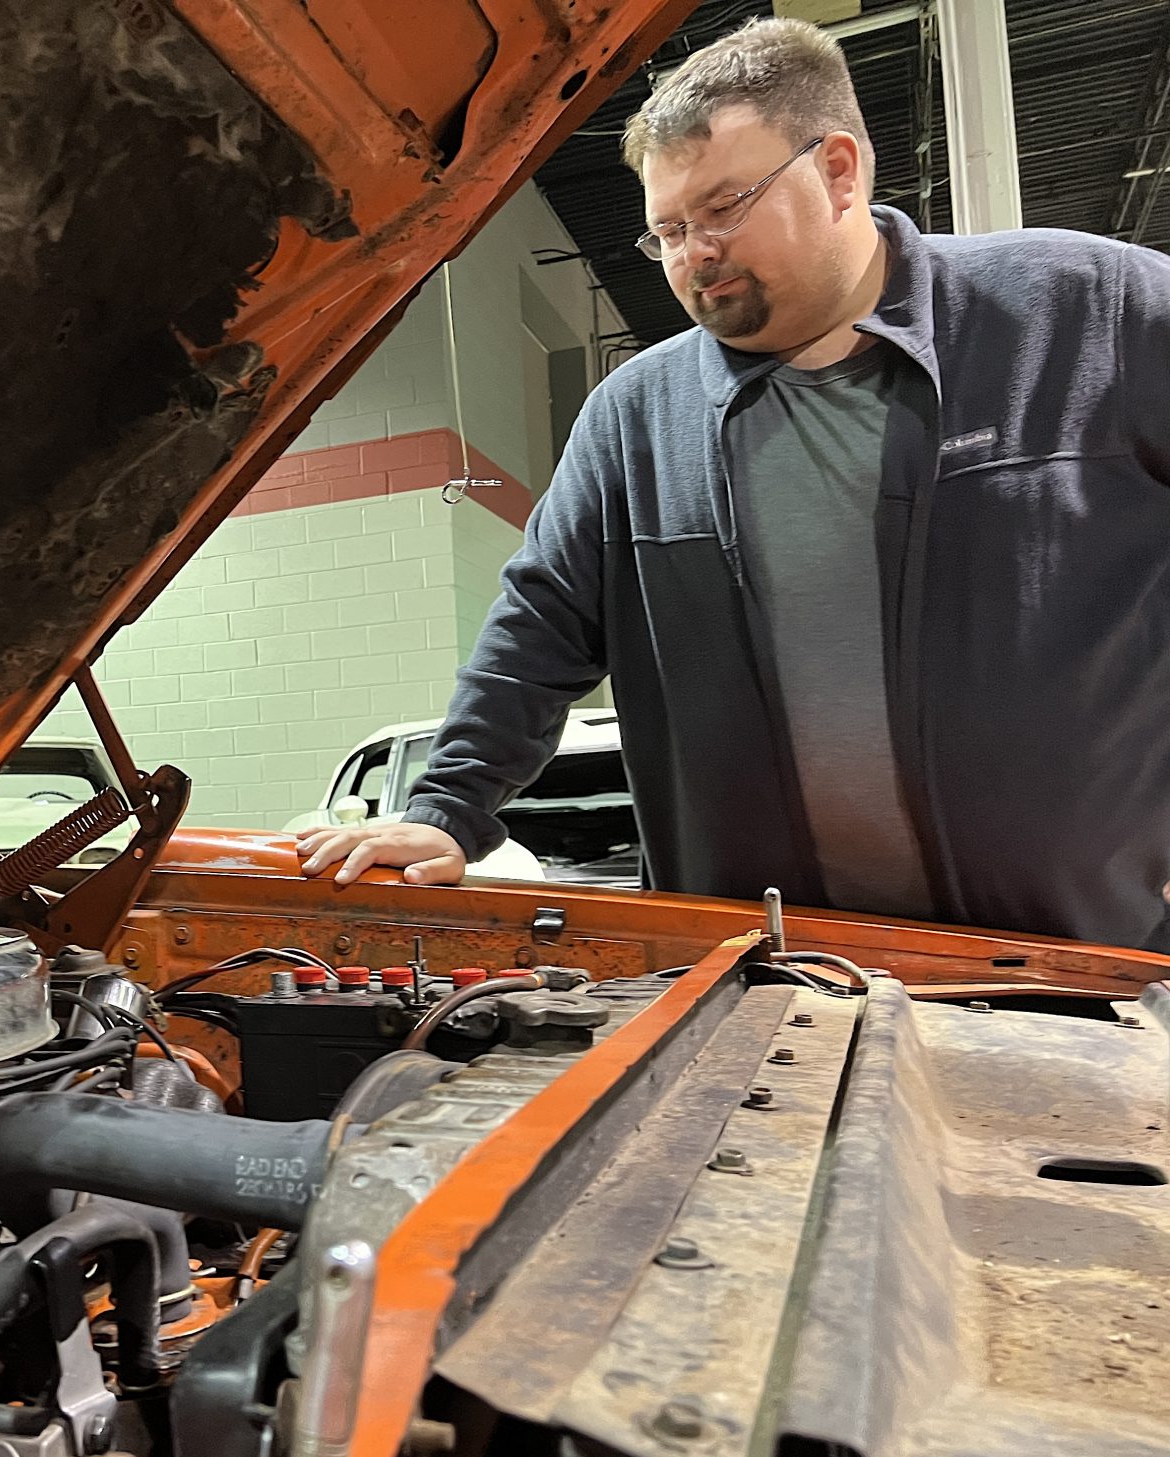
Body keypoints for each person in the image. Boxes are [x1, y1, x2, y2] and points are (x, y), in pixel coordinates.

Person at [299, 17, 1170, 948]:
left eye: (722, 208)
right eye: (667, 230)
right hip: (767, 982)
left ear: (839, 170)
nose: (692, 254)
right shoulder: (634, 417)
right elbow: (540, 622)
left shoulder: (1092, 310)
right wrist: (447, 808)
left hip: (1087, 971)